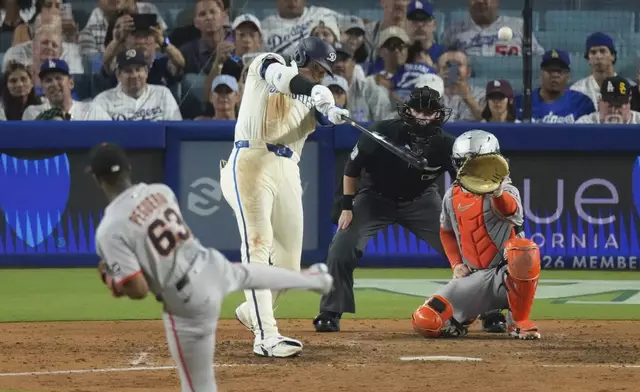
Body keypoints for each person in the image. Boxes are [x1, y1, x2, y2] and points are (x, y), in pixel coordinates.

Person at [90, 142, 334, 392]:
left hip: (187, 298)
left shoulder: (110, 228)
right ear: (129, 168)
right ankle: (312, 279)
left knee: (198, 385)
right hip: (210, 264)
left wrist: (113, 280)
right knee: (251, 273)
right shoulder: (160, 192)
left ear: (98, 179)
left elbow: (138, 289)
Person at [219, 36, 349, 358]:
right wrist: (316, 91)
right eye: (317, 67)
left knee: (290, 266)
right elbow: (284, 79)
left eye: (324, 72)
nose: (320, 75)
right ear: (303, 57)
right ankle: (266, 336)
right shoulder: (267, 63)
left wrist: (330, 112)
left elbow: (320, 116)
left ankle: (253, 312)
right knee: (258, 243)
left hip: (288, 168)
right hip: (251, 159)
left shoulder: (315, 97)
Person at [313, 86, 456, 333]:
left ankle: (488, 311)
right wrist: (347, 207)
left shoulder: (446, 144)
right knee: (342, 247)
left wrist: (459, 217)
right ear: (408, 110)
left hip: (422, 201)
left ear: (438, 114)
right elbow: (351, 170)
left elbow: (460, 183)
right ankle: (330, 311)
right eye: (418, 109)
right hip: (374, 198)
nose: (423, 116)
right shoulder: (381, 132)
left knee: (465, 248)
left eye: (429, 111)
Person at [410, 130, 541, 340]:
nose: (466, 168)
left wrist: (496, 190)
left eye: (472, 163)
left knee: (524, 250)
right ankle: (466, 316)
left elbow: (511, 212)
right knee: (426, 321)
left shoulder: (506, 190)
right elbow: (446, 232)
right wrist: (455, 264)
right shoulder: (452, 195)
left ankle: (519, 321)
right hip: (475, 278)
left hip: (504, 275)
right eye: (462, 163)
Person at [93, 49, 182, 121]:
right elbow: (97, 137)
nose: (134, 75)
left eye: (138, 69)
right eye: (128, 71)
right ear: (118, 75)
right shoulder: (102, 101)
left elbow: (176, 131)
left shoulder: (163, 94)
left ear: (146, 72)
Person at [515, 49, 595, 123]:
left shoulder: (581, 103)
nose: (554, 75)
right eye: (549, 70)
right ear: (541, 73)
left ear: (568, 75)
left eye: (560, 71)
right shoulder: (522, 102)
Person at [22, 59, 112, 120]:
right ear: (42, 88)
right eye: (48, 80)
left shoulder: (92, 111)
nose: (54, 84)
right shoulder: (33, 113)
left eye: (58, 78)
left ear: (71, 83)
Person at [575, 75, 640, 124]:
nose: (614, 111)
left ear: (629, 101)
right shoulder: (585, 124)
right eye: (610, 106)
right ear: (599, 101)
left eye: (618, 105)